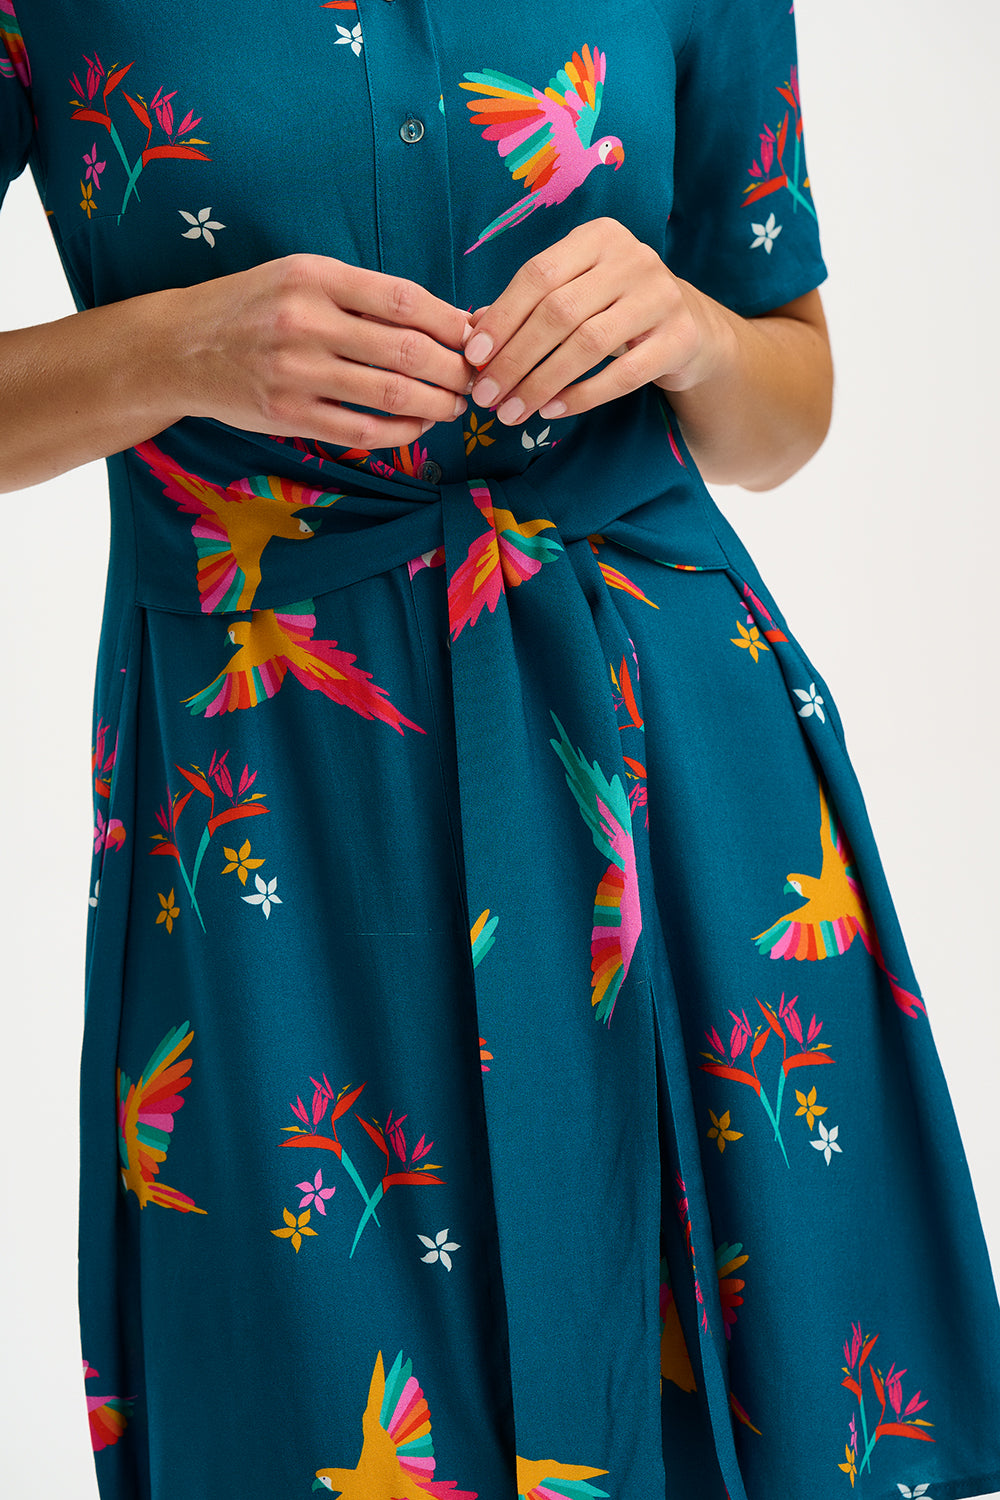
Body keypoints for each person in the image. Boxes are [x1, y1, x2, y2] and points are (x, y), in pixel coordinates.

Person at [2, 3, 1000, 1500]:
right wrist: (173, 349)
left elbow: (785, 404)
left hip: (675, 782)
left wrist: (695, 329)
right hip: (274, 825)